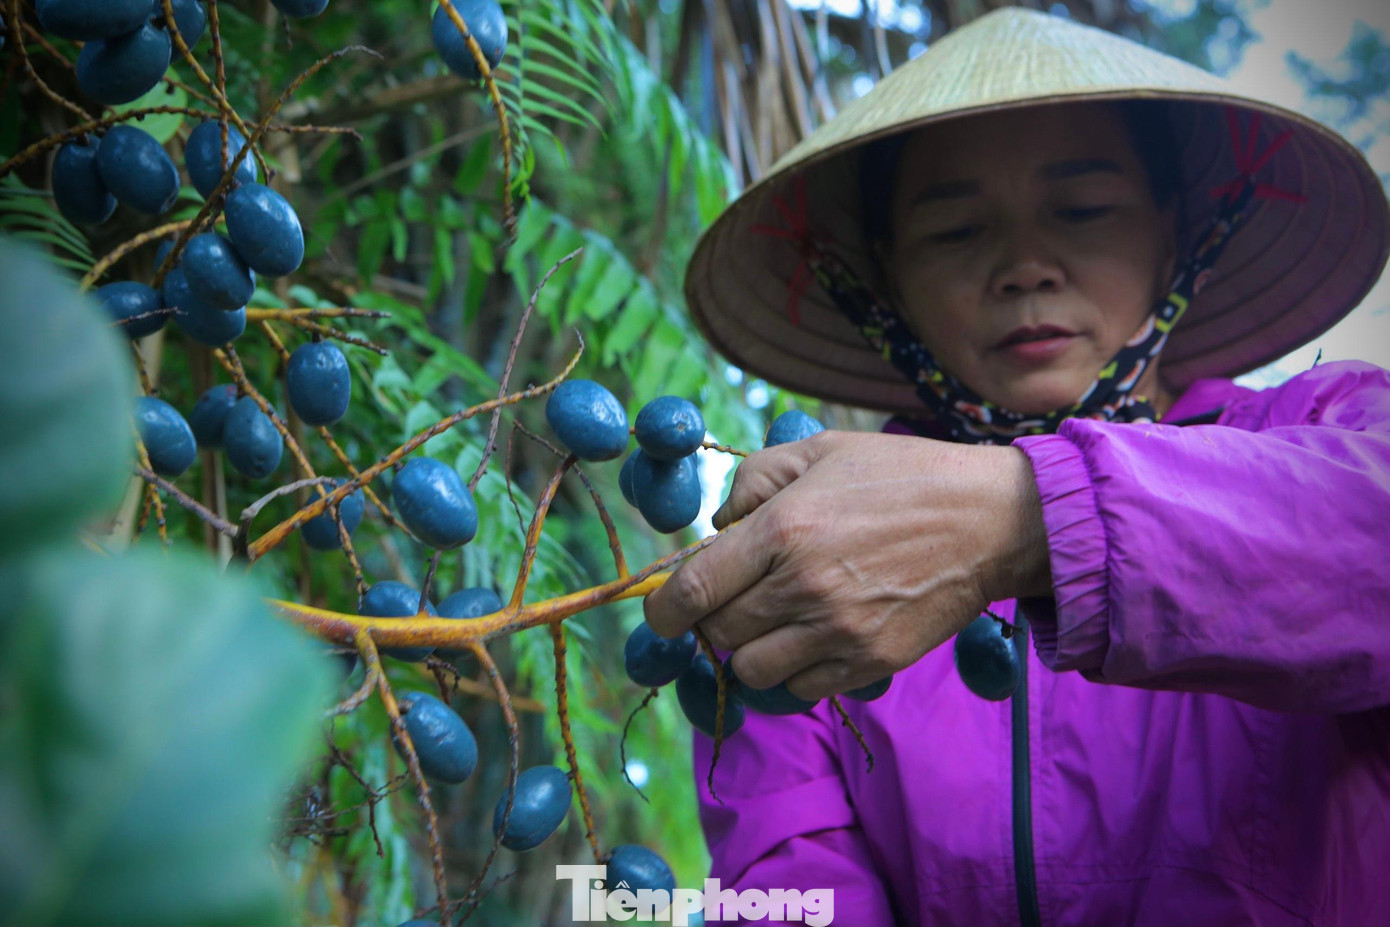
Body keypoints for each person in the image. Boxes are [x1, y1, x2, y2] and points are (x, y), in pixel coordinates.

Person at [643, 8, 1390, 926]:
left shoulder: (1325, 425)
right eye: (956, 229)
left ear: (1173, 228)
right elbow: (787, 881)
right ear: (886, 276)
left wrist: (1025, 515)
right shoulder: (808, 559)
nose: (1025, 264)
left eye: (1082, 210)